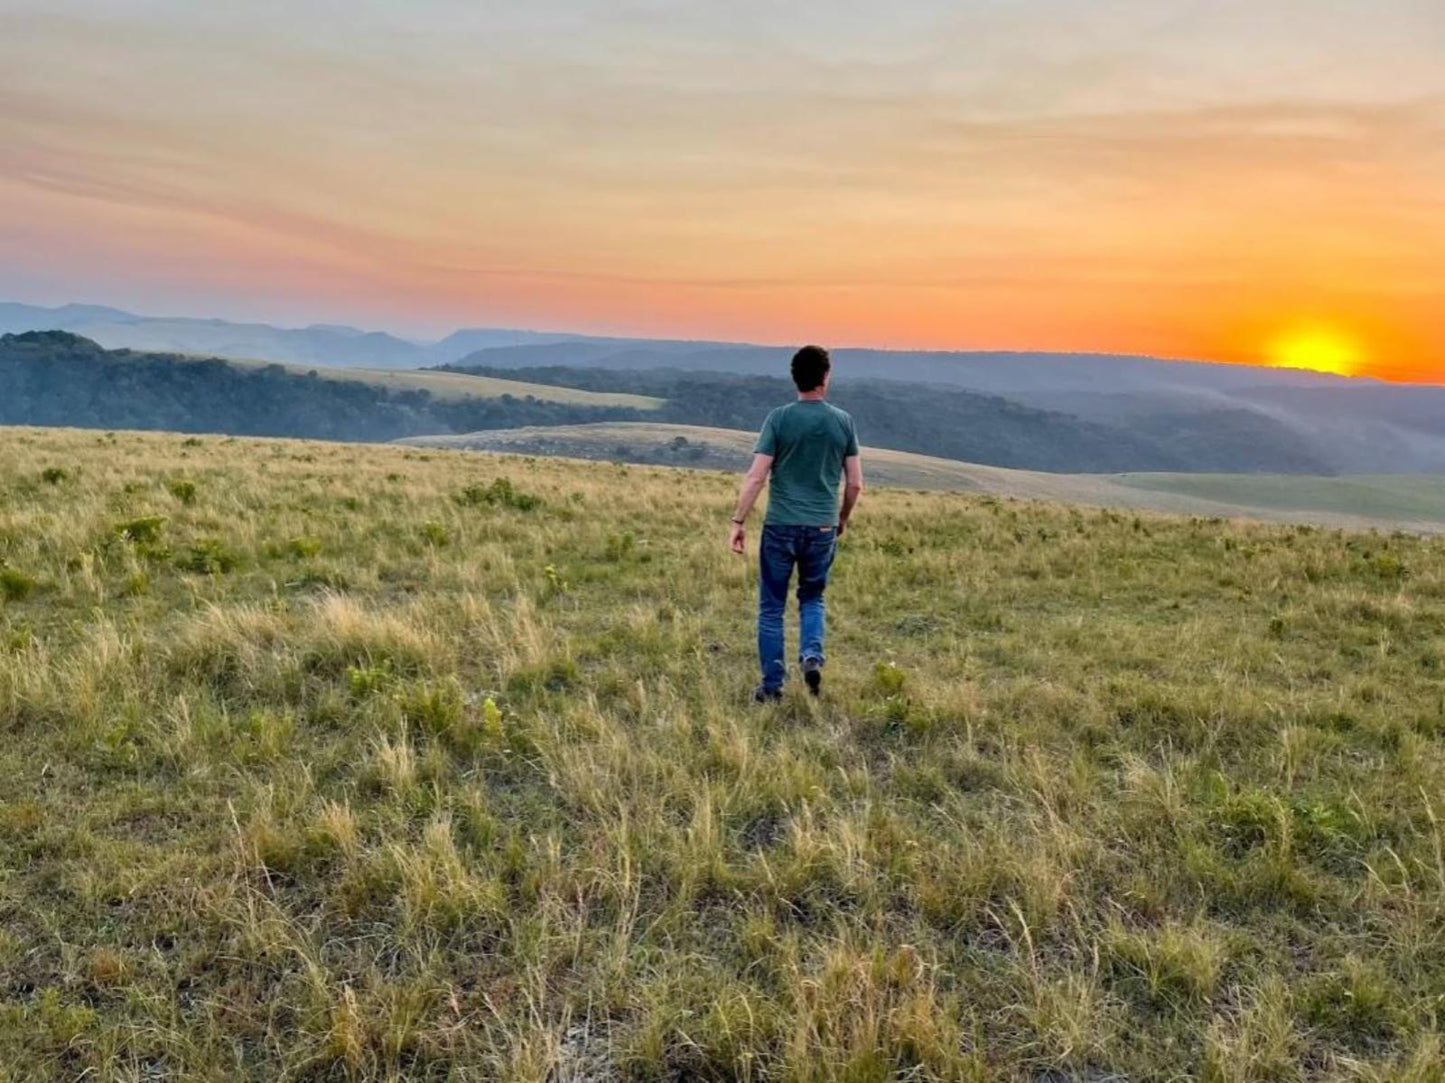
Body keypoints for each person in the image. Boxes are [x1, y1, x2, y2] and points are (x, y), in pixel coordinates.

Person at [729, 345, 863, 701]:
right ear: (825, 377)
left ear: (795, 378)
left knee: (771, 607)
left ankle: (772, 687)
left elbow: (756, 477)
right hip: (822, 527)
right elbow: (855, 483)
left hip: (780, 526)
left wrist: (738, 520)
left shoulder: (778, 419)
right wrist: (842, 519)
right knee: (813, 598)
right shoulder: (843, 422)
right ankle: (811, 655)